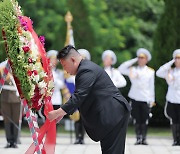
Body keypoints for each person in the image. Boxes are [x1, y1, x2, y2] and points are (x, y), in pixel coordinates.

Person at [48, 45, 131, 154]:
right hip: (111, 114)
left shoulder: (86, 70)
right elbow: (81, 97)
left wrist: (57, 112)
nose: (65, 70)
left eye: (64, 65)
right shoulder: (85, 69)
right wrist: (62, 113)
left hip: (113, 113)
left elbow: (79, 96)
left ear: (73, 60)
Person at [119, 48, 155, 145]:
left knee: (144, 119)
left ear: (146, 59)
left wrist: (152, 100)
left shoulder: (150, 72)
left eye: (142, 58)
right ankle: (138, 138)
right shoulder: (133, 69)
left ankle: (144, 138)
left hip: (145, 98)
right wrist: (134, 60)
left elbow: (151, 87)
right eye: (139, 57)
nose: (140, 59)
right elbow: (121, 68)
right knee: (136, 119)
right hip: (135, 97)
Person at [156, 49, 180, 146]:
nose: (178, 60)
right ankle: (175, 140)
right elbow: (159, 72)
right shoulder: (170, 71)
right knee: (174, 120)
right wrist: (171, 62)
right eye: (176, 58)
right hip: (172, 99)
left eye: (179, 58)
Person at [0, 60, 21, 148]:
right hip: (5, 96)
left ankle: (15, 141)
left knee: (16, 119)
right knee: (7, 120)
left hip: (16, 97)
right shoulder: (2, 67)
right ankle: (9, 141)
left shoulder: (19, 66)